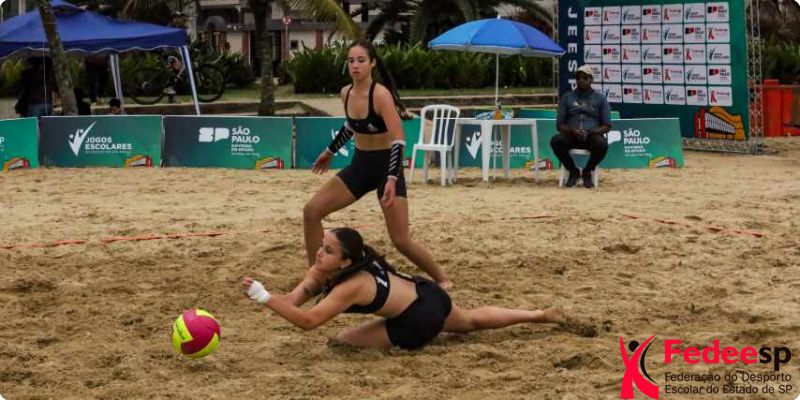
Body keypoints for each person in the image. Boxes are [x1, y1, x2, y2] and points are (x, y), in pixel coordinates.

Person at [242, 227, 565, 350]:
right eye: (322, 245)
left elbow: (308, 322)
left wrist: (263, 296)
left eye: (327, 250)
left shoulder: (352, 285)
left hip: (418, 318)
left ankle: (424, 335)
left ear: (345, 261)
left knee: (341, 342)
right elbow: (293, 301)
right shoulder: (337, 265)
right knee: (469, 321)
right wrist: (276, 299)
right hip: (427, 292)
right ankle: (539, 315)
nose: (319, 253)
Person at [303, 40, 452, 289]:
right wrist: (330, 151)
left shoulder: (381, 95)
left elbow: (399, 140)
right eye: (351, 61)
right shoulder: (346, 93)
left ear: (372, 63)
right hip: (360, 166)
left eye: (361, 60)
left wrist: (392, 178)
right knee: (311, 211)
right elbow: (351, 125)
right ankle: (318, 277)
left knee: (400, 239)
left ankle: (442, 278)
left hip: (386, 168)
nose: (355, 65)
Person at [550, 65, 612, 189]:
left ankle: (587, 171)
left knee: (602, 145)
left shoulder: (600, 98)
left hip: (592, 136)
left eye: (585, 77)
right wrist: (572, 130)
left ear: (591, 79)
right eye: (578, 78)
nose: (581, 80)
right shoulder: (567, 97)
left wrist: (591, 132)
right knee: (556, 141)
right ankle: (573, 171)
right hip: (571, 136)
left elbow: (607, 126)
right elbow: (559, 125)